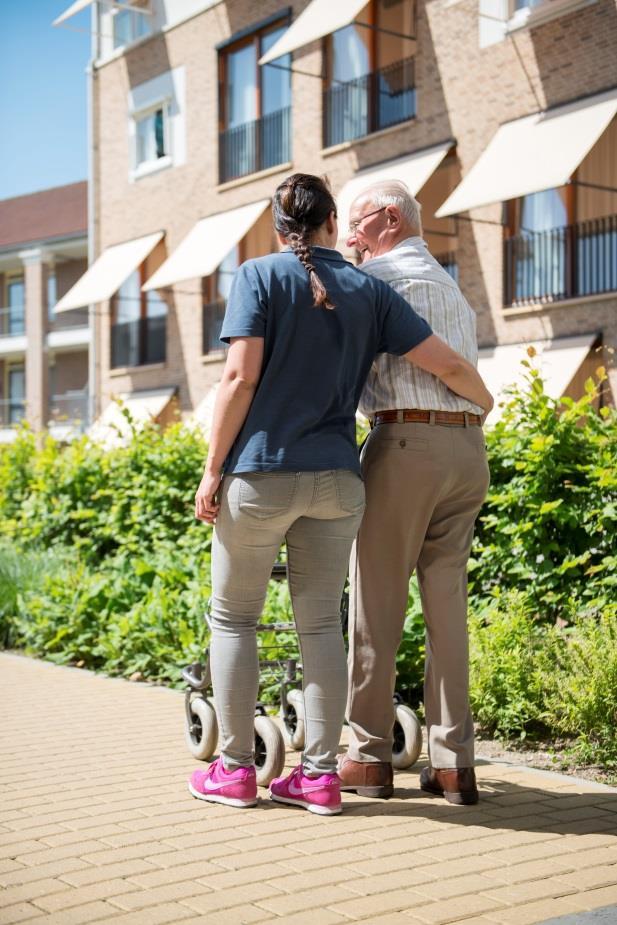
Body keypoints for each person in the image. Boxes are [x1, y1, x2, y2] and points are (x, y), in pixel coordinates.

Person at [189, 173, 493, 816]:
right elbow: (447, 362)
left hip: (267, 470)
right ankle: (326, 778)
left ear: (279, 229)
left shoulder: (261, 275)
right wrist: (483, 401)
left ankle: (238, 770)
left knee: (238, 618)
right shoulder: (378, 289)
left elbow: (239, 379)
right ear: (331, 224)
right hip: (344, 479)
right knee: (326, 623)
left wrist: (212, 470)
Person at [338, 180, 491, 806]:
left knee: (376, 607)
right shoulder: (453, 287)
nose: (348, 236)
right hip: (467, 451)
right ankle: (454, 764)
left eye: (355, 225)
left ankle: (368, 757)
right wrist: (483, 404)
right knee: (447, 610)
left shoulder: (380, 286)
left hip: (404, 445)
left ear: (389, 219)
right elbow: (461, 374)